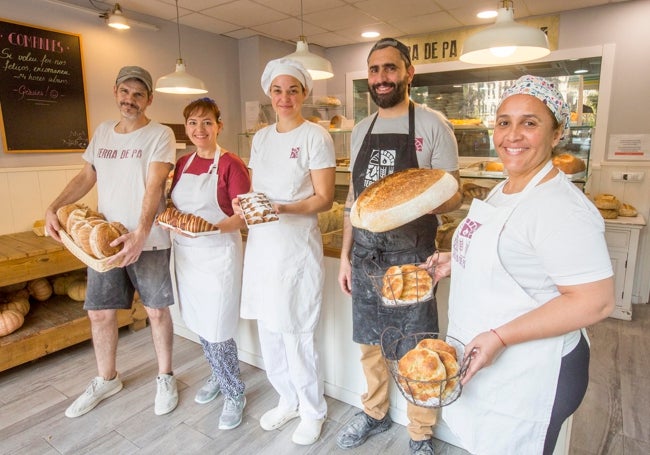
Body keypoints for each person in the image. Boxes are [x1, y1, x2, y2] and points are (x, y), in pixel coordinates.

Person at [426, 75, 615, 454]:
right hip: (493, 364)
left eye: (530, 122)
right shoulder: (506, 186)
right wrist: (458, 260)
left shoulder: (561, 207)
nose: (513, 135)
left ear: (557, 132)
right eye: (504, 122)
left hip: (533, 371)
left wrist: (499, 337)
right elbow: (509, 254)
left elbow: (594, 301)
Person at [336, 38, 462, 455]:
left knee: (417, 345)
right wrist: (344, 256)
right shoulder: (360, 129)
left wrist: (411, 202)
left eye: (390, 68)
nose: (381, 78)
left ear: (409, 73)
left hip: (412, 256)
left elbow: (453, 193)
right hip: (366, 255)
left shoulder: (431, 125)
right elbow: (356, 201)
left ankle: (421, 433)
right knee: (371, 345)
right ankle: (374, 413)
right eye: (374, 70)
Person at [44, 66, 178, 418]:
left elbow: (154, 187)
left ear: (149, 99)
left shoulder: (159, 135)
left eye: (138, 94)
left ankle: (165, 376)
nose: (130, 100)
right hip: (103, 241)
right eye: (125, 92)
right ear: (116, 92)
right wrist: (54, 207)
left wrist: (141, 232)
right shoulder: (103, 132)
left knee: (156, 311)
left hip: (147, 240)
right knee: (101, 314)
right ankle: (107, 378)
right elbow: (86, 175)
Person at [234, 58, 335, 446]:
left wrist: (284, 208)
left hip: (295, 248)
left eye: (293, 90)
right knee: (269, 328)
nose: (285, 97)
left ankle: (313, 410)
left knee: (296, 331)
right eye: (278, 90)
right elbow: (258, 192)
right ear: (269, 95)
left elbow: (324, 199)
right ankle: (287, 399)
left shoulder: (315, 136)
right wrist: (250, 207)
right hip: (262, 247)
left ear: (304, 93)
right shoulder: (260, 138)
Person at [166, 98, 251, 429]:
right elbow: (175, 206)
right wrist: (169, 220)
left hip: (218, 255)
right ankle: (219, 375)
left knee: (217, 327)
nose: (199, 129)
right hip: (187, 255)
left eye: (206, 122)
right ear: (186, 127)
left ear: (219, 125)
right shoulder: (183, 163)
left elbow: (242, 216)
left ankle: (234, 391)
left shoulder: (231, 164)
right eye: (192, 123)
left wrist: (212, 228)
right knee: (200, 322)